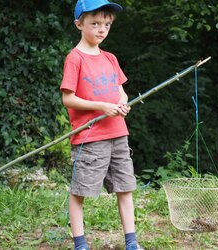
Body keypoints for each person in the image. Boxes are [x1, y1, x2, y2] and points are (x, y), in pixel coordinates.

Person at [60, 1, 142, 249]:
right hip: (90, 137)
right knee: (80, 191)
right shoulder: (75, 58)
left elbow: (121, 93)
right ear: (79, 24)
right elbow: (68, 98)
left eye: (106, 24)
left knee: (125, 188)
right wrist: (101, 106)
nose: (101, 29)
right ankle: (80, 244)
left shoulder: (110, 58)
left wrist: (121, 104)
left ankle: (131, 242)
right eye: (94, 23)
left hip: (118, 133)